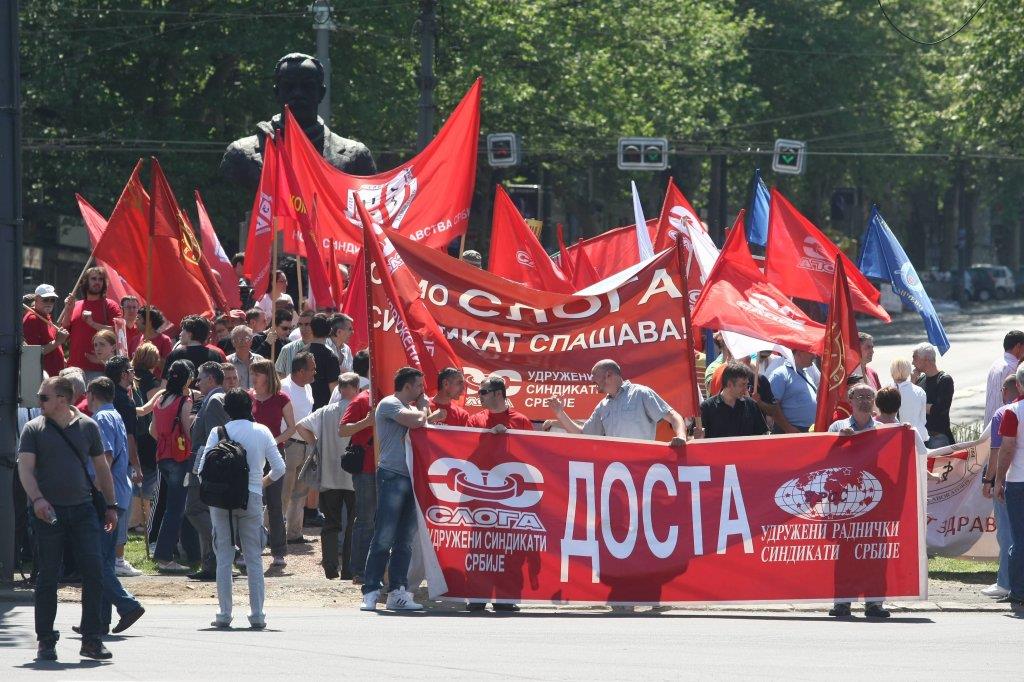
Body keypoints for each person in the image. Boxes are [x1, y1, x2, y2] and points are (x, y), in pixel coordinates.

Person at [18, 376, 119, 661]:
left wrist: (111, 506)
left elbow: (102, 468)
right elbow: (25, 469)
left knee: (94, 571)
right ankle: (46, 640)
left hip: (84, 509)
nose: (39, 402)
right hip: (47, 512)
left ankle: (91, 639)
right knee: (48, 576)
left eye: (43, 398)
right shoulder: (33, 429)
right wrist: (37, 499)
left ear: (63, 400)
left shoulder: (88, 426)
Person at [198, 389, 286, 629]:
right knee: (254, 558)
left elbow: (202, 469)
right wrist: (259, 483)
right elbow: (279, 468)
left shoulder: (219, 432)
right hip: (252, 498)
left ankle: (224, 614)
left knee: (224, 557)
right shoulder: (262, 431)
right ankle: (257, 614)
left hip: (221, 502)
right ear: (251, 407)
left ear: (227, 409)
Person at [360, 367, 437, 612]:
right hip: (392, 474)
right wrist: (425, 408)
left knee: (405, 540)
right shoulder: (389, 404)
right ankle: (371, 590)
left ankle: (398, 591)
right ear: (407, 387)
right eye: (418, 385)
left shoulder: (413, 408)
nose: (422, 390)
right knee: (384, 535)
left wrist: (424, 410)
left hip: (413, 477)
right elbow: (415, 421)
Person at [85, 377, 146, 636]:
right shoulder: (115, 415)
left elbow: (105, 457)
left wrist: (96, 492)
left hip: (107, 498)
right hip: (119, 494)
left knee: (96, 562)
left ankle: (127, 604)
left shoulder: (101, 419)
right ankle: (99, 620)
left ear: (91, 394)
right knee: (105, 561)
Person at [827, 383, 889, 619]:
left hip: (873, 501)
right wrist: (839, 442)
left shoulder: (884, 430)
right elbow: (825, 461)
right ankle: (842, 602)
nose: (864, 400)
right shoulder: (837, 427)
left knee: (874, 553)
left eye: (869, 396)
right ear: (850, 401)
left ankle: (875, 604)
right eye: (860, 396)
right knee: (845, 555)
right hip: (846, 502)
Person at [296, 372, 361, 579]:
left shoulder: (325, 412)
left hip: (329, 475)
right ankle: (349, 568)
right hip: (354, 476)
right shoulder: (360, 410)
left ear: (338, 389)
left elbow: (301, 426)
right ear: (357, 389)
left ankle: (330, 566)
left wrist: (315, 444)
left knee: (331, 523)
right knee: (353, 523)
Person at [546, 359, 687, 445]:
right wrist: (560, 413)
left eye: (595, 375)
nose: (592, 380)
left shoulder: (641, 393)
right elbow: (583, 434)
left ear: (608, 375)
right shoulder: (602, 407)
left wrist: (681, 437)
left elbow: (674, 416)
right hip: (616, 471)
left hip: (644, 467)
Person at [185, 362, 229, 581]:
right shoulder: (213, 399)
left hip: (204, 465)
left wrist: (206, 469)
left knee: (194, 509)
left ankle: (224, 545)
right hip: (202, 463)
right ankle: (210, 564)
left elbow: (216, 438)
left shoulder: (214, 401)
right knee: (202, 510)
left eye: (201, 378)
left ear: (211, 379)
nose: (197, 382)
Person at [150, 360, 195, 572]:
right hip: (178, 457)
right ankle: (165, 556)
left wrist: (165, 438)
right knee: (175, 509)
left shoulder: (160, 399)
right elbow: (186, 430)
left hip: (162, 455)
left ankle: (180, 550)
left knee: (173, 505)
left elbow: (153, 430)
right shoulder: (184, 401)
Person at [102, 356, 146, 577]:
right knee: (121, 510)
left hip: (104, 462)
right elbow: (130, 438)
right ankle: (118, 558)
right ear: (122, 375)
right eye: (130, 370)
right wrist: (136, 466)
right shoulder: (126, 402)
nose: (133, 374)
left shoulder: (108, 398)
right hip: (120, 464)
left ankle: (112, 556)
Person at [250, 359, 294, 566]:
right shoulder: (249, 397)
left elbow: (291, 428)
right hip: (253, 456)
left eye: (257, 374)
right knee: (253, 502)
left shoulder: (281, 399)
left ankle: (278, 550)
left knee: (274, 503)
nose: (254, 378)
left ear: (267, 376)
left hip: (275, 455)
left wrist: (274, 441)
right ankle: (253, 545)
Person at [981, 374, 1021, 599]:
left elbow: (998, 451)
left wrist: (991, 480)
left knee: (1007, 534)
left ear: (1006, 391)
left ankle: (1005, 582)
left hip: (1012, 480)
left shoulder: (1004, 413)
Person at [339, 351, 374, 584]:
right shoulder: (362, 399)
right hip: (365, 470)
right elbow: (343, 430)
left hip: (386, 468)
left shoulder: (393, 398)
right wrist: (366, 422)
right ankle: (359, 569)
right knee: (365, 519)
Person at [993, 364, 1024, 615]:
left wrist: (998, 479)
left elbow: (1007, 448)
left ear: (1019, 385)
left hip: (1019, 480)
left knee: (1019, 539)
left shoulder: (1013, 411)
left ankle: (1018, 591)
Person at [275, 351, 316, 543]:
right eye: (312, 369)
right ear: (300, 371)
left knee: (300, 492)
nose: (315, 372)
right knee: (283, 491)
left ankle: (294, 533)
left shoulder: (308, 387)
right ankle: (270, 532)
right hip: (289, 446)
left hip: (306, 445)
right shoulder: (283, 387)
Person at [58, 266, 122, 376]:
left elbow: (118, 332)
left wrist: (93, 323)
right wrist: (68, 310)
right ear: (85, 282)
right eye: (93, 279)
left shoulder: (110, 306)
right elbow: (65, 332)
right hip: (74, 369)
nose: (97, 282)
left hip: (101, 370)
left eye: (100, 279)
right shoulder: (76, 305)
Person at [131, 343, 162, 535]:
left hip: (134, 430)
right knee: (149, 475)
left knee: (137, 473)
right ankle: (139, 519)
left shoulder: (131, 377)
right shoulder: (151, 381)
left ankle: (136, 518)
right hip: (147, 433)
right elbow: (153, 410)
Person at [700, 362, 769, 438]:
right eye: (742, 384)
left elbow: (762, 436)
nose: (746, 389)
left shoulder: (751, 405)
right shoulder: (707, 408)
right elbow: (699, 439)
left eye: (747, 384)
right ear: (729, 384)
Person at [912, 342, 955, 447]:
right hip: (921, 436)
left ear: (926, 360)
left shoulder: (944, 379)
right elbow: (908, 402)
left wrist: (918, 405)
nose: (912, 363)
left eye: (915, 358)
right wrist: (912, 383)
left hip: (937, 437)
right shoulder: (920, 379)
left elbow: (939, 410)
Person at [767, 350, 820, 433]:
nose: (815, 355)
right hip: (791, 432)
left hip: (808, 430)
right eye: (810, 352)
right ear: (799, 353)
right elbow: (772, 405)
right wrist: (788, 428)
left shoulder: (805, 374)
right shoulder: (780, 374)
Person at [22, 283, 68, 377]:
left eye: (52, 300)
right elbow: (34, 352)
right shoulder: (32, 319)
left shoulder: (45, 316)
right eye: (46, 299)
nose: (49, 303)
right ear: (37, 299)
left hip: (54, 375)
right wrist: (58, 341)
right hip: (43, 377)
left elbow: (49, 342)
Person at [162, 316, 223, 380]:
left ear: (190, 334)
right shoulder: (215, 355)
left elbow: (165, 383)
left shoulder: (175, 355)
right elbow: (221, 382)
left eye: (182, 330)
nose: (180, 334)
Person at [469, 376, 534, 433]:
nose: (479, 396)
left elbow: (531, 445)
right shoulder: (474, 421)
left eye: (483, 392)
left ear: (498, 393)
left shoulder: (522, 421)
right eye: (479, 393)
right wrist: (490, 433)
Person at [985, 330, 1024, 425]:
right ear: (1019, 346)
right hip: (1004, 425)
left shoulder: (995, 364)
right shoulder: (1016, 368)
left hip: (990, 421)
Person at [306, 313, 341, 409]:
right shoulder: (331, 357)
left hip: (304, 408)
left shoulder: (301, 353)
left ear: (311, 330)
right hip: (322, 410)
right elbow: (334, 390)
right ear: (329, 331)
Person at [890, 357, 927, 441]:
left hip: (892, 437)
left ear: (892, 372)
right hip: (916, 436)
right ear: (908, 372)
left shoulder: (884, 391)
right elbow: (923, 419)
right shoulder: (919, 391)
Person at [276, 309, 314, 377]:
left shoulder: (324, 349)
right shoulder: (287, 349)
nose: (303, 328)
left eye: (307, 324)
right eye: (300, 324)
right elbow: (279, 376)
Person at [226, 325, 265, 390]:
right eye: (238, 339)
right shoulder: (227, 361)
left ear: (251, 341)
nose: (243, 342)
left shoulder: (260, 360)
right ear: (233, 342)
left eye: (246, 338)